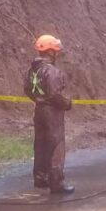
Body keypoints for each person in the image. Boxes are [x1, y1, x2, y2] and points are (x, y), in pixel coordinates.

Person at [24, 35, 75, 194]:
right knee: (56, 146)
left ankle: (41, 178)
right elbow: (54, 94)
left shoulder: (32, 70)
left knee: (41, 145)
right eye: (55, 51)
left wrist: (39, 100)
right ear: (50, 51)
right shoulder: (51, 71)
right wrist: (67, 103)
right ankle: (56, 183)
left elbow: (27, 90)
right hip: (52, 113)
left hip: (39, 111)